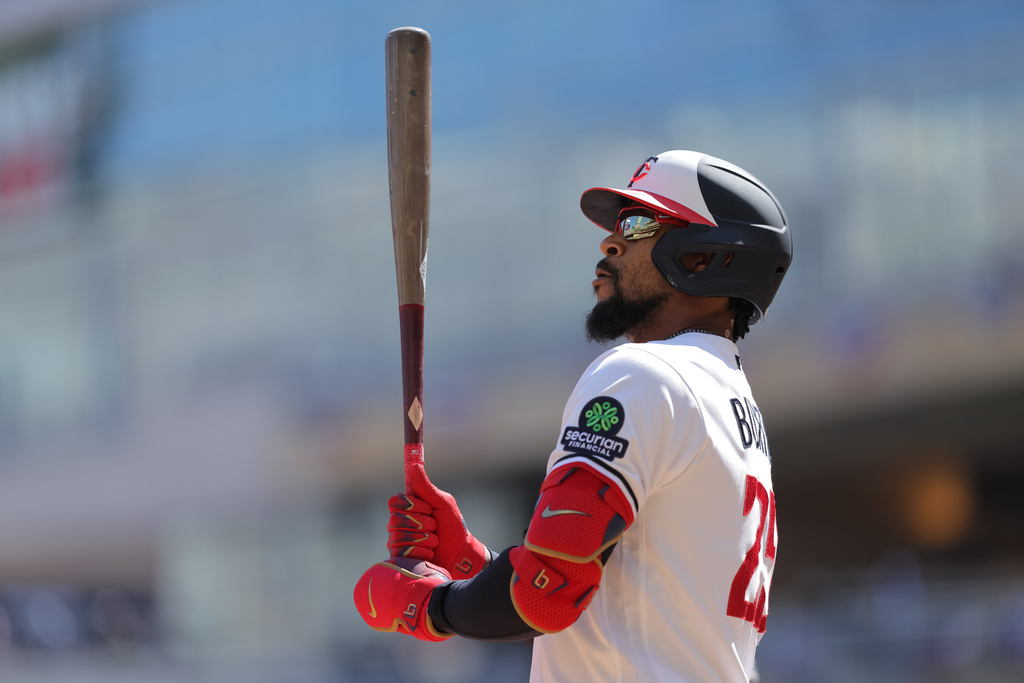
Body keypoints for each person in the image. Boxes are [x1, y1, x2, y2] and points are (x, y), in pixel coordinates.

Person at [354, 150, 793, 682]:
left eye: (638, 224)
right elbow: (605, 597)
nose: (610, 242)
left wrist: (427, 605)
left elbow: (548, 593)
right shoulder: (729, 401)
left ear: (702, 258)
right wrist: (473, 561)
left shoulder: (643, 373)